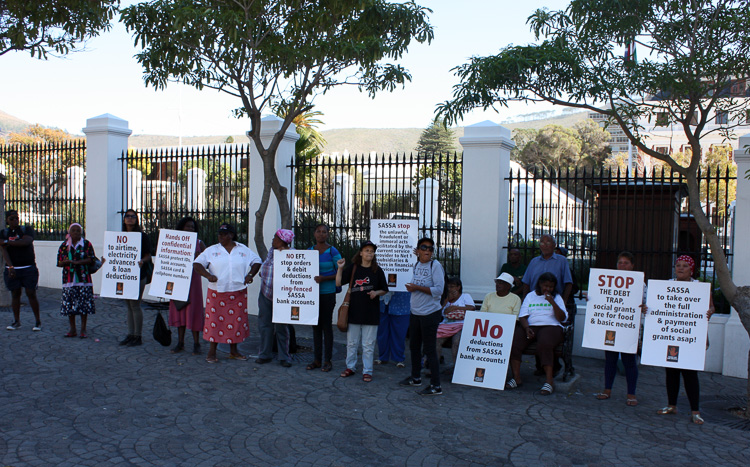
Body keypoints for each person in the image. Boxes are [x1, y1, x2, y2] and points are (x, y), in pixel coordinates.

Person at [656, 255, 714, 425]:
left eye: (684, 266)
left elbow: (711, 306)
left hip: (689, 337)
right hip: (672, 335)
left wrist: (710, 310)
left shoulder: (699, 288)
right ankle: (671, 405)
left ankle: (695, 411)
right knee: (671, 372)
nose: (680, 268)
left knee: (690, 374)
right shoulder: (668, 285)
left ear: (691, 270)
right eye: (678, 265)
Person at [193, 223, 261, 363]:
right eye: (219, 234)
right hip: (217, 292)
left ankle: (234, 351)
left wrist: (250, 275)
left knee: (236, 322)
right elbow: (197, 264)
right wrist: (207, 275)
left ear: (231, 235)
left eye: (224, 234)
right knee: (215, 322)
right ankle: (212, 352)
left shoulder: (243, 250)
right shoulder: (211, 250)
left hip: (238, 292)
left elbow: (257, 261)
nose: (221, 236)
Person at [595, 251, 644, 406]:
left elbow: (646, 303)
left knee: (630, 361)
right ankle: (607, 389)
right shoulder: (608, 281)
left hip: (629, 327)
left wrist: (644, 307)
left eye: (626, 263)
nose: (622, 265)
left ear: (632, 266)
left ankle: (631, 393)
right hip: (612, 326)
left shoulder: (639, 283)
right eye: (620, 262)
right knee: (610, 359)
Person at [336, 240, 388, 382]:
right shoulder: (354, 268)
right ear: (361, 253)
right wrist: (340, 268)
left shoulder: (377, 270)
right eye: (367, 250)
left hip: (371, 313)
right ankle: (350, 367)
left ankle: (367, 371)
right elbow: (338, 283)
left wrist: (376, 293)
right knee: (352, 342)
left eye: (371, 251)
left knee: (368, 344)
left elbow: (385, 289)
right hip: (353, 312)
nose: (369, 253)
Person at [399, 237, 446, 396]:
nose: (427, 251)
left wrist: (417, 287)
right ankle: (416, 377)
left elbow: (438, 290)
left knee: (430, 349)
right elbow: (416, 285)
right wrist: (412, 288)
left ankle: (436, 385)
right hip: (416, 312)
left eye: (430, 249)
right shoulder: (417, 264)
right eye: (424, 248)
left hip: (430, 313)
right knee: (413, 346)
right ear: (418, 250)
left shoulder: (436, 266)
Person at [507, 272, 567, 394]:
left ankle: (549, 381)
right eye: (545, 286)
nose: (548, 289)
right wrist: (526, 328)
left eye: (551, 286)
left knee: (544, 344)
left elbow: (562, 318)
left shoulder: (557, 297)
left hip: (551, 326)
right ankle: (516, 378)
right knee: (514, 343)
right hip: (532, 326)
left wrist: (552, 302)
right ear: (539, 284)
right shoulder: (530, 296)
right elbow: (523, 316)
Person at [168, 217, 207, 355]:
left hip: (193, 282)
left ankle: (197, 343)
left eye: (192, 227)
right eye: (187, 226)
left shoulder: (199, 243)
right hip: (178, 280)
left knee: (194, 310)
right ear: (181, 228)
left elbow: (208, 261)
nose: (190, 229)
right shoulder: (174, 242)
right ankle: (180, 342)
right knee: (180, 310)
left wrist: (200, 256)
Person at [256, 229, 295, 367]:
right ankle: (264, 354)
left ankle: (284, 356)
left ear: (282, 241)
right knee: (265, 325)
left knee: (281, 327)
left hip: (282, 297)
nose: (272, 240)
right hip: (266, 293)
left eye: (275, 237)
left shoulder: (292, 256)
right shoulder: (272, 252)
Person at [307, 224, 342, 373]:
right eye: (318, 231)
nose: (321, 234)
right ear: (314, 233)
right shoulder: (309, 251)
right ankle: (316, 359)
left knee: (326, 327)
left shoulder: (333, 251)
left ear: (328, 234)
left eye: (324, 232)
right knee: (315, 327)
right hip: (312, 294)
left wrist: (324, 278)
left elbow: (341, 271)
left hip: (327, 293)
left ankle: (327, 360)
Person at [1, 209, 42, 331]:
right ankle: (16, 321)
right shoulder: (4, 232)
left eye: (16, 218)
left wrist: (8, 241)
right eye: (12, 219)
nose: (15, 221)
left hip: (28, 267)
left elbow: (26, 242)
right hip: (13, 268)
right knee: (15, 294)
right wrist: (10, 266)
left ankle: (37, 321)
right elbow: (3, 250)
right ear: (7, 220)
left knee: (31, 293)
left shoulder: (26, 230)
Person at [118, 209, 153, 347]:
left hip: (139, 274)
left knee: (135, 304)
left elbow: (148, 254)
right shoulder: (120, 236)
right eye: (127, 216)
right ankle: (130, 334)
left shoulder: (142, 236)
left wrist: (142, 261)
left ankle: (137, 336)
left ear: (136, 220)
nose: (130, 219)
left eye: (133, 216)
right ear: (124, 219)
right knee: (128, 305)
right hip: (125, 275)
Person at [56, 223, 97, 338]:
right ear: (69, 232)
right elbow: (59, 262)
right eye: (73, 230)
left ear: (81, 232)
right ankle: (72, 329)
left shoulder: (86, 244)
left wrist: (78, 263)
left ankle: (83, 329)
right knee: (70, 305)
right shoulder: (64, 246)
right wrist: (66, 262)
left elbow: (92, 259)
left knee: (84, 305)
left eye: (78, 231)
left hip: (83, 279)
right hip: (69, 279)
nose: (75, 233)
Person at [435, 277, 476, 371]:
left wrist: (454, 308)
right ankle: (433, 366)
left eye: (452, 286)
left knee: (456, 342)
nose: (450, 289)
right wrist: (446, 301)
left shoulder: (465, 296)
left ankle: (457, 369)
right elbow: (439, 311)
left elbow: (472, 308)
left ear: (458, 287)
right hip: (446, 325)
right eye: (448, 286)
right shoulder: (445, 298)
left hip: (461, 325)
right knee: (435, 340)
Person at [521, 234, 573, 302]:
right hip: (534, 301)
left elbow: (568, 283)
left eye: (548, 242)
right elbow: (526, 283)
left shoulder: (562, 261)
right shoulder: (534, 261)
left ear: (554, 245)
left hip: (554, 301)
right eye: (542, 243)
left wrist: (564, 301)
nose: (545, 245)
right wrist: (524, 300)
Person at [375, 291, 411, 367]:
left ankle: (399, 358)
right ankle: (382, 356)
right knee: (382, 332)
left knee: (399, 333)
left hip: (402, 301)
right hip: (382, 302)